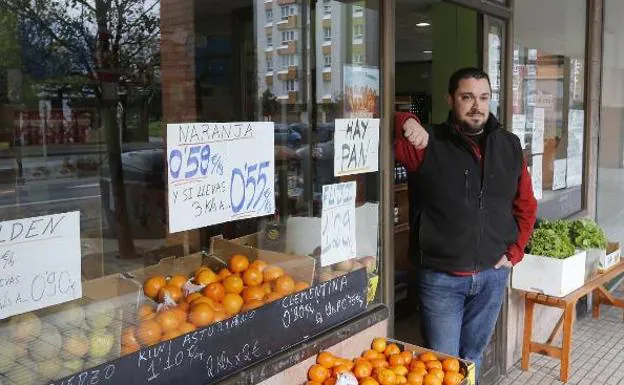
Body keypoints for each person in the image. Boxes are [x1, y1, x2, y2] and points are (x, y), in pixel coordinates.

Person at [394, 67, 537, 378]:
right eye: (467, 97)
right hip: (441, 279)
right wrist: (406, 121)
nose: (477, 105)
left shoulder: (509, 145)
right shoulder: (428, 143)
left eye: (483, 97)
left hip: (492, 275)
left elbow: (526, 204)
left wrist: (515, 251)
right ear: (451, 99)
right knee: (440, 365)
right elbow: (380, 127)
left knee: (471, 358)